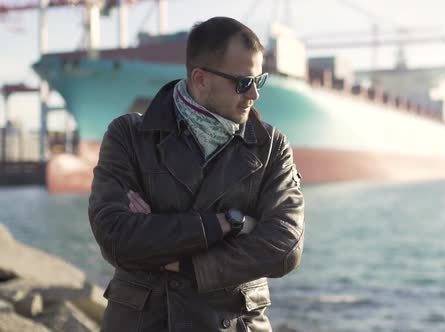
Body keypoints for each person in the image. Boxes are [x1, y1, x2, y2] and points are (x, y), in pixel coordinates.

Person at [88, 16, 305, 332]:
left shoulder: (271, 146)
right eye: (244, 82)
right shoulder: (128, 135)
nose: (255, 95)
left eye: (260, 81)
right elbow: (115, 237)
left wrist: (188, 265)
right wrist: (230, 223)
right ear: (201, 79)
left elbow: (285, 246)